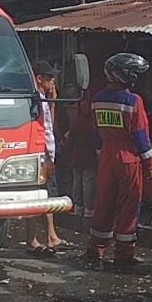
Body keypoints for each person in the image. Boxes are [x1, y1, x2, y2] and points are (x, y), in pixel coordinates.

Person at [86, 53, 152, 268]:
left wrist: (100, 153)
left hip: (106, 155)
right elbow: (140, 134)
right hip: (128, 158)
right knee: (128, 204)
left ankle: (96, 248)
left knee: (103, 202)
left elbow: (95, 132)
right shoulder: (134, 101)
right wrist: (150, 162)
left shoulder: (97, 99)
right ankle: (124, 253)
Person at [27, 62, 63, 256]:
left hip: (48, 150)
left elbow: (49, 124)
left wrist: (53, 101)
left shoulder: (42, 99)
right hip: (42, 154)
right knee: (38, 195)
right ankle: (33, 238)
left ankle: (51, 235)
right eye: (49, 78)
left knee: (45, 195)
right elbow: (38, 130)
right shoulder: (34, 99)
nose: (53, 82)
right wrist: (46, 156)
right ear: (39, 78)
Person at [67, 97, 97, 229]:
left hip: (76, 156)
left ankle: (78, 207)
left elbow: (70, 139)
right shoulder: (93, 123)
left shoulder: (76, 122)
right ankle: (89, 209)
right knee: (87, 183)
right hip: (89, 157)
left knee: (77, 182)